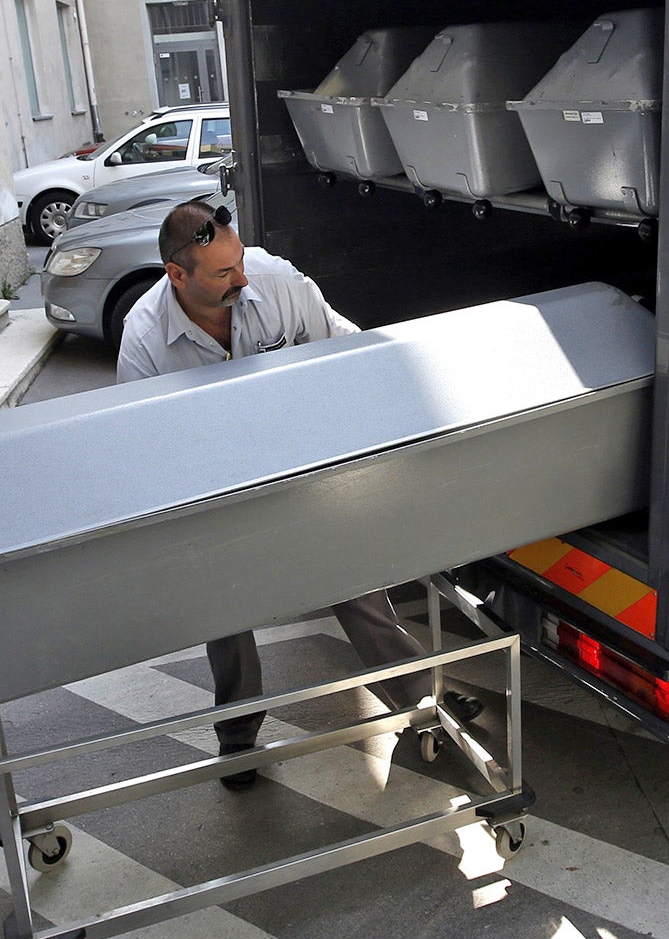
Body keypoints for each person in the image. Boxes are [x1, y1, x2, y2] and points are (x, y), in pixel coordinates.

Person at [116, 201, 482, 787]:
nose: (241, 279)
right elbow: (146, 456)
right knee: (224, 611)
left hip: (301, 471)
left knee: (352, 579)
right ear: (176, 276)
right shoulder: (143, 343)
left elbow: (352, 354)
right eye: (222, 273)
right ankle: (236, 739)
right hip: (214, 494)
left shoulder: (278, 283)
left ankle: (422, 702)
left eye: (239, 262)